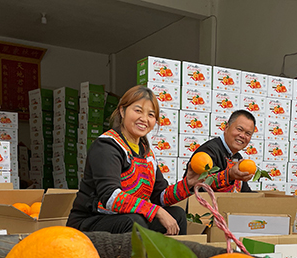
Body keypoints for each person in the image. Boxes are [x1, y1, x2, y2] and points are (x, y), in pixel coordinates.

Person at [67, 85, 199, 235]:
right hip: (90, 221)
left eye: (151, 114)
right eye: (138, 111)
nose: (144, 119)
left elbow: (159, 196)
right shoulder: (106, 146)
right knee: (135, 222)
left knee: (177, 215)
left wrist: (187, 184)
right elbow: (110, 197)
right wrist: (156, 211)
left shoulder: (146, 153)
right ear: (122, 111)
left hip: (126, 218)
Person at [186, 110, 257, 192]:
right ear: (226, 127)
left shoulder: (237, 157)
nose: (242, 136)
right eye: (239, 129)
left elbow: (245, 192)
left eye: (248, 133)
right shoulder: (208, 151)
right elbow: (203, 186)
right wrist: (229, 175)